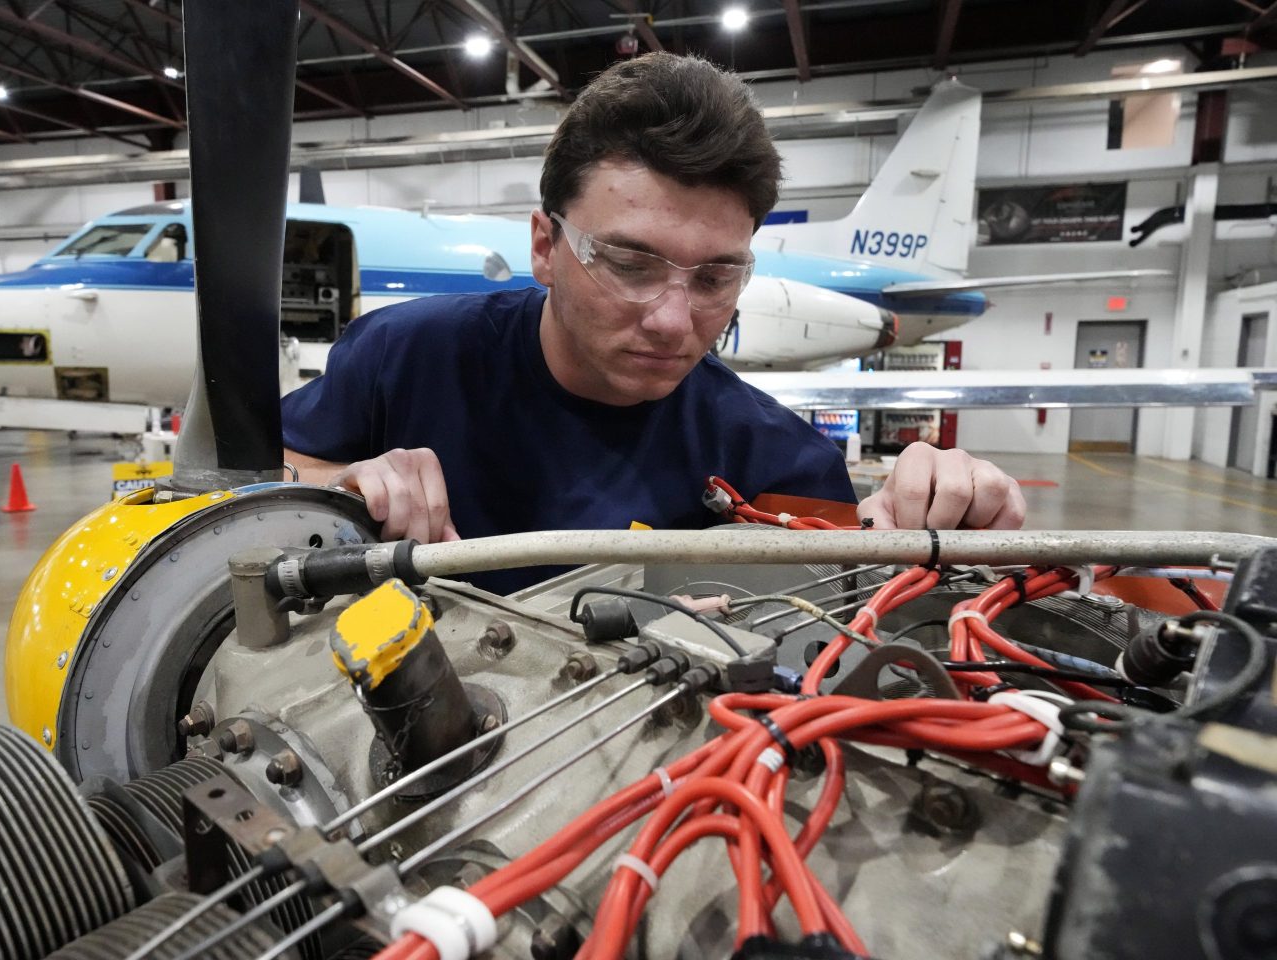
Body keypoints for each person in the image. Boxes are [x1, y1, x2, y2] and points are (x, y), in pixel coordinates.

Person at [282, 53, 1023, 594]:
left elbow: (855, 588)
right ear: (546, 247)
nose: (675, 322)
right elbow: (256, 473)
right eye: (630, 263)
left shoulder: (773, 459)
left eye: (715, 276)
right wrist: (342, 488)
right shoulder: (409, 353)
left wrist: (939, 517)